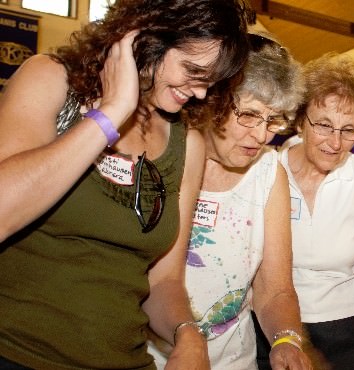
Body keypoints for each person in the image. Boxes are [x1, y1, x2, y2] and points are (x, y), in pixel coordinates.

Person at [0, 0, 252, 368]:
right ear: (146, 38)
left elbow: (163, 280)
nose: (199, 93)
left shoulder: (188, 141)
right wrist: (112, 113)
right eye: (192, 71)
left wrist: (187, 333)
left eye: (210, 83)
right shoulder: (50, 78)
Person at [147, 32, 311, 370]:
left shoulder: (268, 173)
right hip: (149, 356)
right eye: (249, 115)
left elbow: (275, 288)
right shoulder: (165, 154)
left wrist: (285, 340)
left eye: (273, 119)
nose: (262, 134)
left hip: (233, 360)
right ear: (214, 101)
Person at [265, 52, 354, 370]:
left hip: (351, 334)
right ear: (301, 118)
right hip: (274, 330)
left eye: (349, 130)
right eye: (324, 125)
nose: (335, 142)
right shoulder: (266, 171)